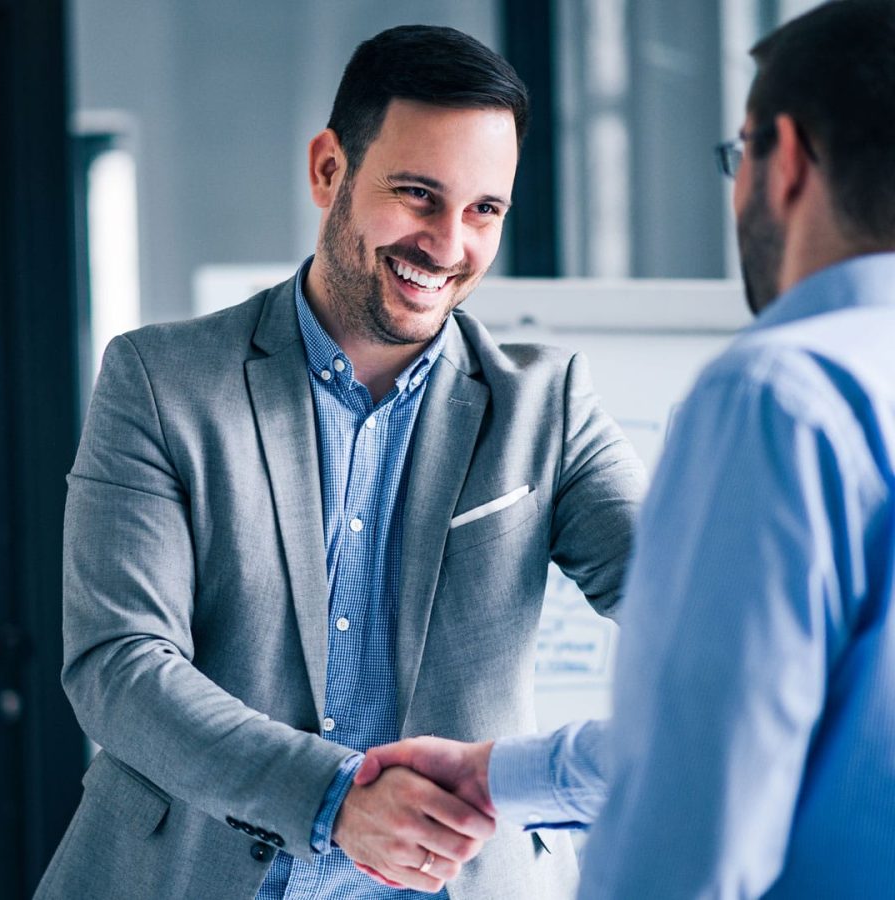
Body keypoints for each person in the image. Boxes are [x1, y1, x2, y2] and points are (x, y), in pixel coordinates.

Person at [37, 24, 644, 900]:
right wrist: (332, 801)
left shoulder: (545, 409)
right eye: (416, 195)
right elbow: (119, 664)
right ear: (330, 169)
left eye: (484, 211)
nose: (446, 244)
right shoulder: (160, 381)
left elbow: (690, 605)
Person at [357, 2, 895, 896]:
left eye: (739, 156)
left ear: (787, 157)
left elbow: (696, 816)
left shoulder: (777, 396)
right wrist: (498, 776)